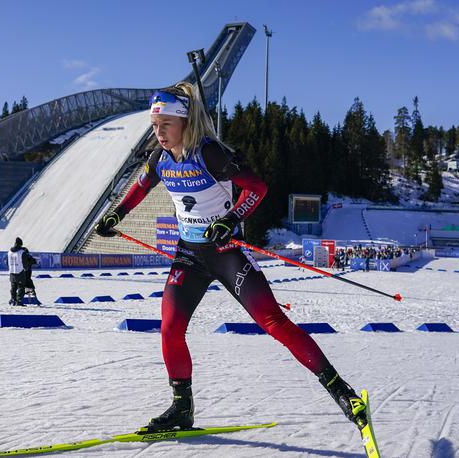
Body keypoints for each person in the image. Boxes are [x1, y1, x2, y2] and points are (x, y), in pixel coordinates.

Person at [95, 82, 367, 433]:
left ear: (185, 122)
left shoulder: (210, 154)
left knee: (273, 321)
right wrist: (117, 215)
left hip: (225, 253)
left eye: (165, 124)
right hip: (189, 256)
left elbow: (258, 188)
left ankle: (342, 392)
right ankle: (181, 408)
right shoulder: (159, 159)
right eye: (154, 124)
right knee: (170, 328)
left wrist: (231, 220)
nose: (158, 132)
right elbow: (141, 187)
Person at [7, 237, 32, 306]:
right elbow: (25, 262)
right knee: (21, 287)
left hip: (12, 272)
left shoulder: (9, 252)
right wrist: (26, 268)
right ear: (20, 244)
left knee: (13, 287)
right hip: (20, 271)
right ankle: (19, 301)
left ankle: (13, 300)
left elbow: (6, 261)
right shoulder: (22, 252)